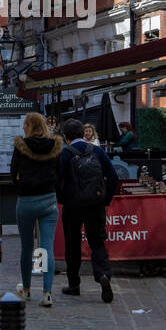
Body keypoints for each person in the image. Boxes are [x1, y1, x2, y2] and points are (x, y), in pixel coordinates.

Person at [57, 118, 121, 302]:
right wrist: (105, 200)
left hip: (72, 206)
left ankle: (74, 284)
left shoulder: (65, 153)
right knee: (97, 242)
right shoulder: (98, 151)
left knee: (72, 244)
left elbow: (56, 180)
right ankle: (103, 275)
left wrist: (62, 198)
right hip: (95, 204)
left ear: (66, 136)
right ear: (82, 133)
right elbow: (114, 177)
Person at [9, 111, 62, 306]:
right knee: (46, 247)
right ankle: (47, 293)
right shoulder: (55, 146)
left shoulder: (21, 146)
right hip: (48, 200)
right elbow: (59, 172)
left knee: (27, 247)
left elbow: (12, 172)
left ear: (28, 126)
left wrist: (21, 188)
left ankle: (27, 289)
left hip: (27, 201)